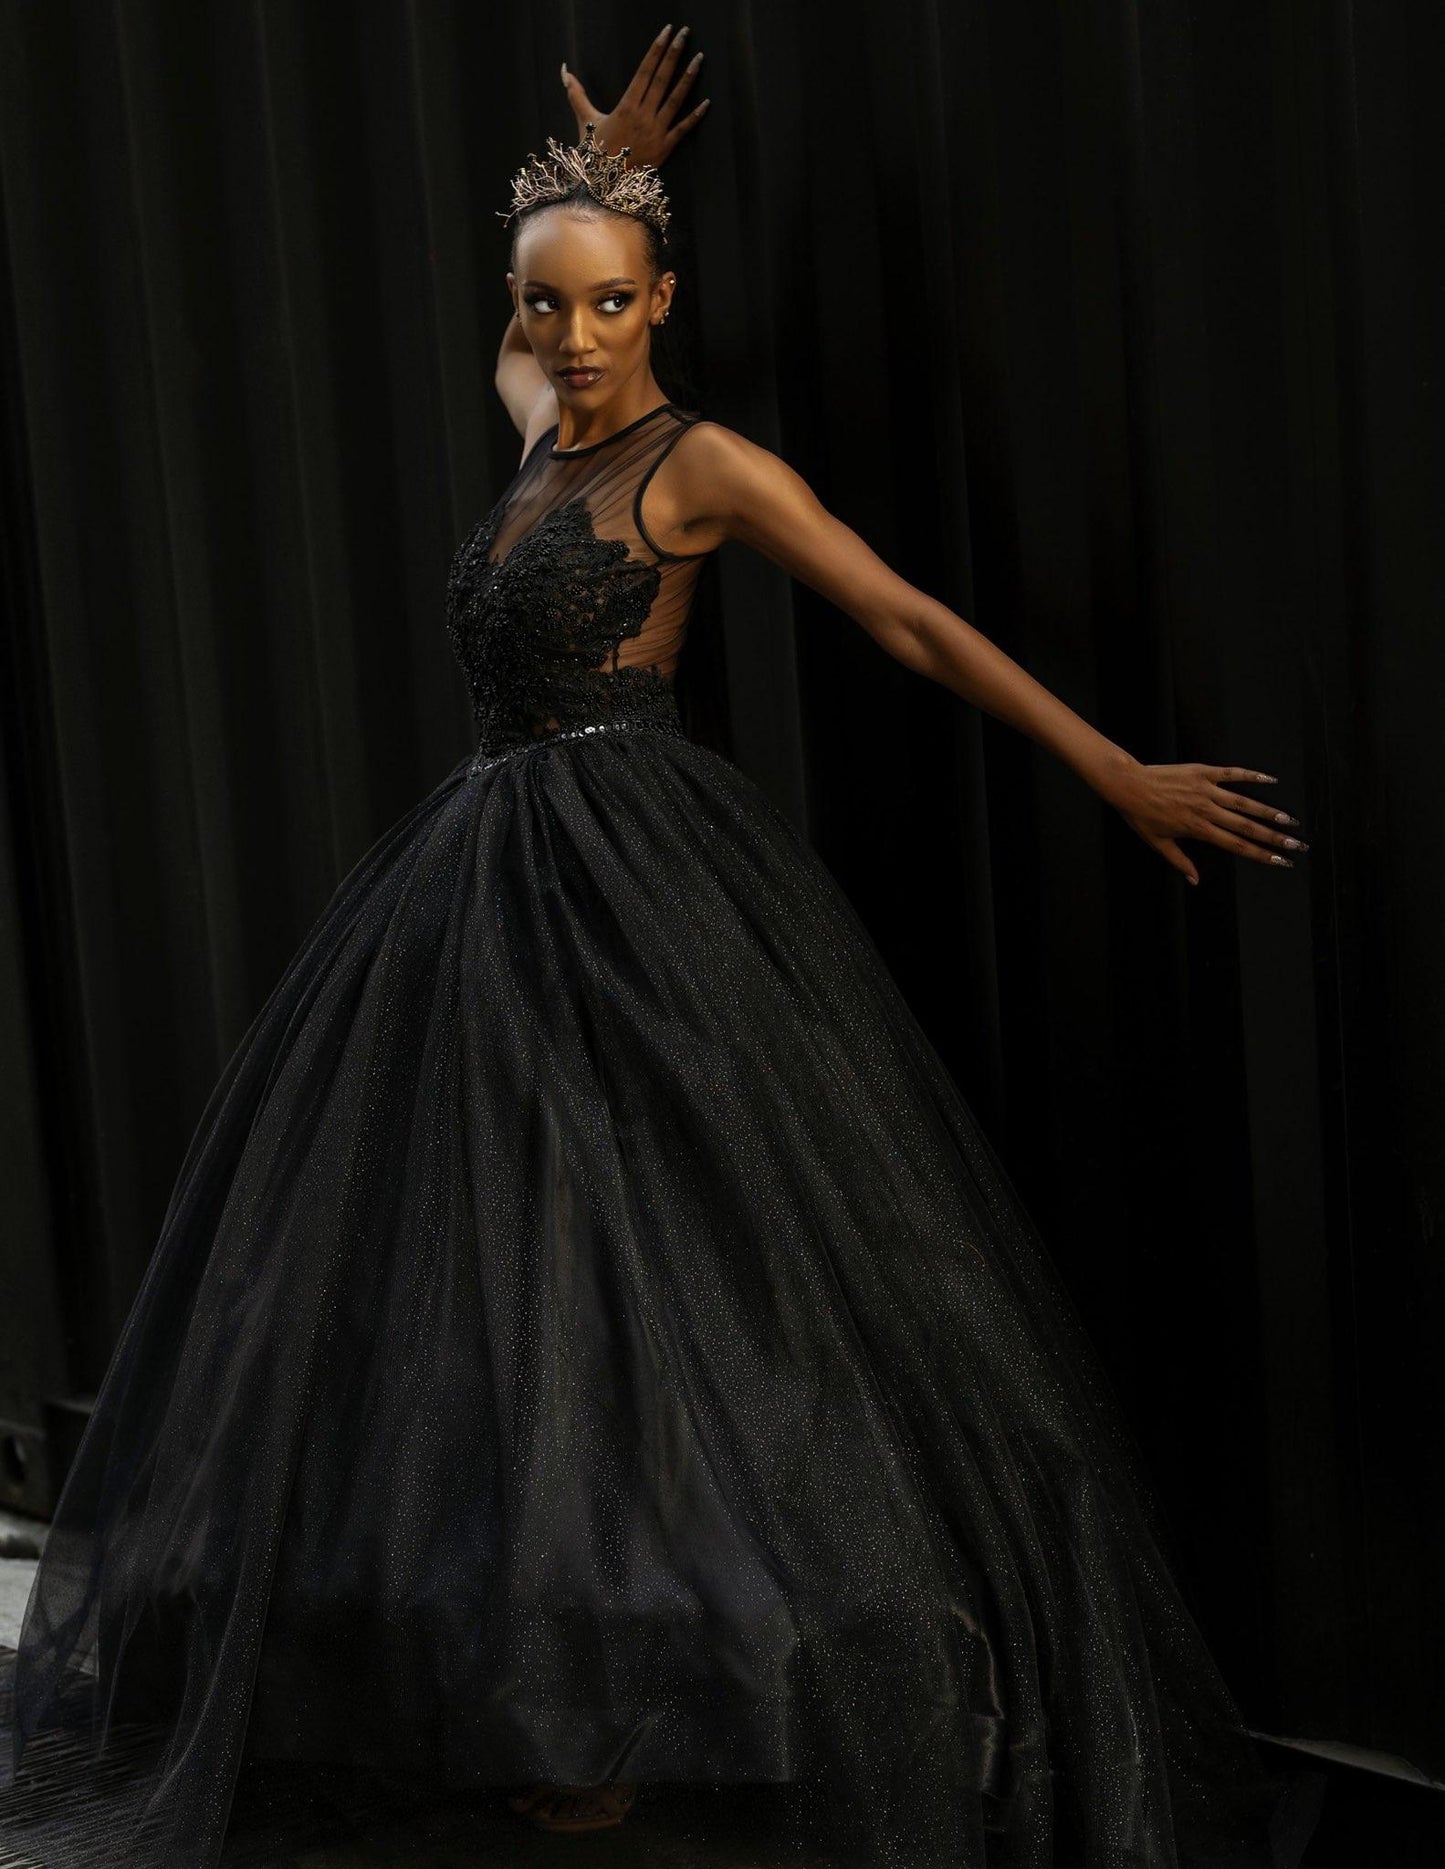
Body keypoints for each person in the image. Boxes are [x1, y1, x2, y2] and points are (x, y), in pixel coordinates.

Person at [0, 25, 1324, 1869]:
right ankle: (567, 1697)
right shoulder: (539, 427)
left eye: (610, 302)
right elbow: (517, 325)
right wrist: (588, 182)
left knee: (671, 1280)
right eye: (551, 307)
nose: (572, 337)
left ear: (662, 303)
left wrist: (1112, 769)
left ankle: (714, 1696)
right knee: (519, 1292)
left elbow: (906, 619)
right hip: (479, 883)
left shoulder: (701, 467)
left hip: (637, 886)